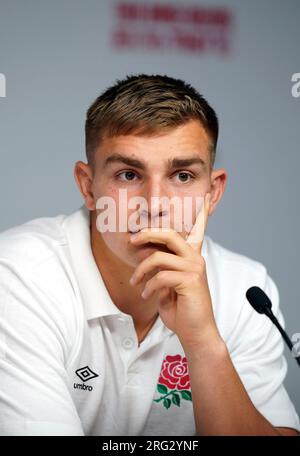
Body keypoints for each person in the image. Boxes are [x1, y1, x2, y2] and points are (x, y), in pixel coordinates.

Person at [0, 74, 299, 436]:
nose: (155, 205)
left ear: (213, 192)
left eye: (183, 176)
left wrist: (203, 341)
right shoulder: (18, 274)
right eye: (128, 174)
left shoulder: (246, 289)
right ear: (87, 186)